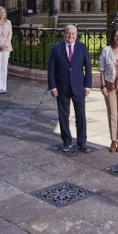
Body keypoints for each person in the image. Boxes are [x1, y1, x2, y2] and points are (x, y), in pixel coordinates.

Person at [47, 24, 94, 152]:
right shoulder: (56, 48)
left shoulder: (82, 48)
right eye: (68, 33)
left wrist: (88, 85)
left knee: (81, 115)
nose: (71, 36)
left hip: (78, 87)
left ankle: (82, 142)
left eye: (73, 33)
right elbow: (51, 70)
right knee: (63, 115)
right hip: (62, 88)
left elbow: (88, 68)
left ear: (76, 34)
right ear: (64, 34)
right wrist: (52, 87)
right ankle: (67, 141)